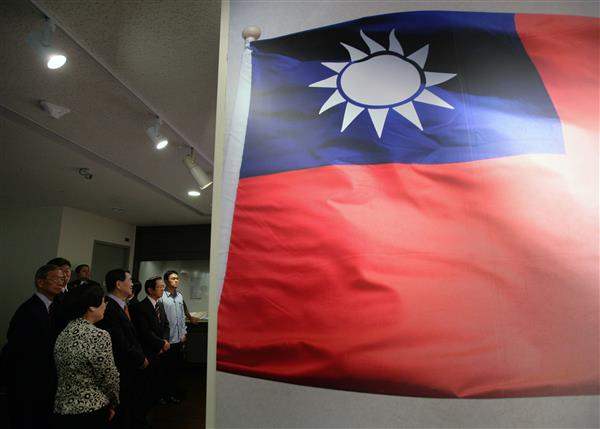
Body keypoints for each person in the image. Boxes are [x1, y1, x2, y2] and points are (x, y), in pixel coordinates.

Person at [3, 264, 65, 429]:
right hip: (29, 381)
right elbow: (18, 347)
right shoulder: (28, 310)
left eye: (63, 279)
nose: (61, 282)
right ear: (40, 282)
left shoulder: (57, 306)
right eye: (56, 279)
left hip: (47, 380)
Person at [53, 281, 119, 429]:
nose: (105, 305)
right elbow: (108, 376)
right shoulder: (98, 335)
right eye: (103, 301)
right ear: (91, 306)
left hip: (62, 408)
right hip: (91, 409)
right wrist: (113, 402)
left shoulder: (64, 332)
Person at [97, 269, 148, 429]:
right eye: (129, 280)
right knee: (121, 411)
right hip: (121, 367)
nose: (132, 284)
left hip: (129, 367)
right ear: (119, 284)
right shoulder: (108, 307)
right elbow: (120, 341)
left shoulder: (122, 305)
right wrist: (139, 358)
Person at [130, 276, 170, 413]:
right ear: (150, 290)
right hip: (149, 350)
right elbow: (144, 331)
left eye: (163, 286)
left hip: (161, 349)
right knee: (147, 383)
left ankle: (156, 402)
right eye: (160, 287)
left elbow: (166, 325)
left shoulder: (160, 304)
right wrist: (160, 344)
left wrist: (165, 341)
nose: (163, 289)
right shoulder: (140, 307)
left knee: (158, 379)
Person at [159, 270, 187, 403]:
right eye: (172, 278)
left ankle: (171, 393)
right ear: (166, 281)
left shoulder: (180, 296)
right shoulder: (161, 297)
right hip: (166, 340)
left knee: (175, 368)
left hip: (178, 339)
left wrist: (184, 333)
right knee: (164, 369)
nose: (176, 280)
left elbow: (182, 316)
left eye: (177, 278)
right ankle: (162, 395)